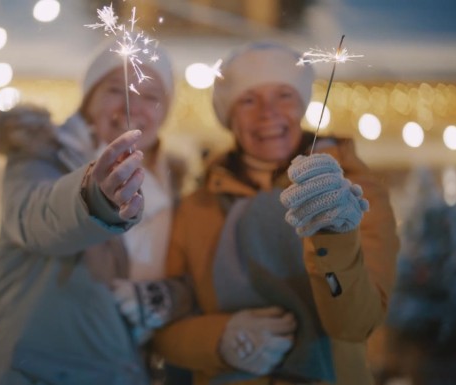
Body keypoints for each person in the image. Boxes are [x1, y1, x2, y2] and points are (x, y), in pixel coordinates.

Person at [152, 42, 399, 385]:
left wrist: (334, 234)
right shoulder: (196, 208)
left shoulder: (354, 192)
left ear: (300, 105)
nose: (267, 113)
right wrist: (220, 340)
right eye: (249, 100)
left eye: (283, 95)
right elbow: (164, 328)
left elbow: (356, 324)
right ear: (229, 116)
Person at [0, 42, 193, 385]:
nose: (132, 105)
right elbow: (38, 219)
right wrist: (95, 195)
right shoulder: (39, 159)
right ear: (88, 99)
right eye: (115, 90)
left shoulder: (175, 189)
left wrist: (168, 297)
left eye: (151, 96)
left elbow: (192, 277)